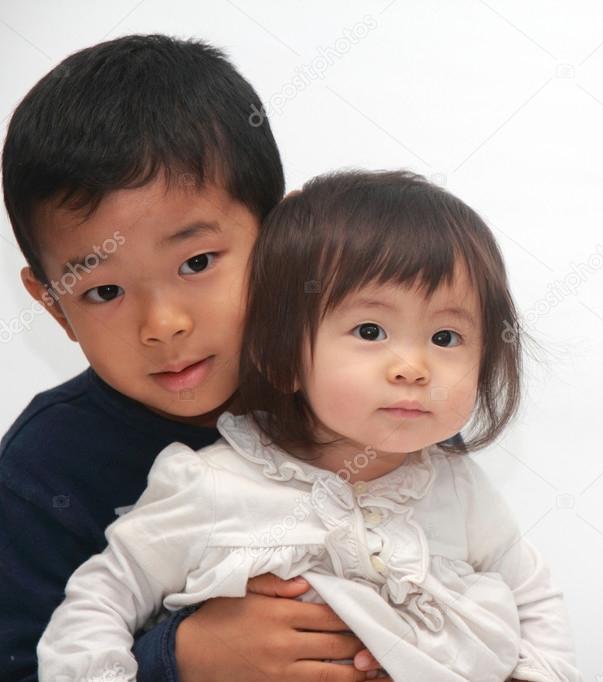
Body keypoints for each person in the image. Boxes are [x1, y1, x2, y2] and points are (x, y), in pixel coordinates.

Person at [37, 170, 581, 682]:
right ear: (283, 359)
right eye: (370, 330)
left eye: (445, 338)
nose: (413, 368)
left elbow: (532, 594)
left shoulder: (456, 486)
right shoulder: (213, 485)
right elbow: (100, 599)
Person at [0, 34, 387, 680]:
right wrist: (177, 658)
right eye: (104, 291)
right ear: (54, 306)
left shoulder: (365, 387)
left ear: (283, 240)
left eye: (197, 262)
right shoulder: (46, 472)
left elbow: (478, 557)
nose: (163, 325)